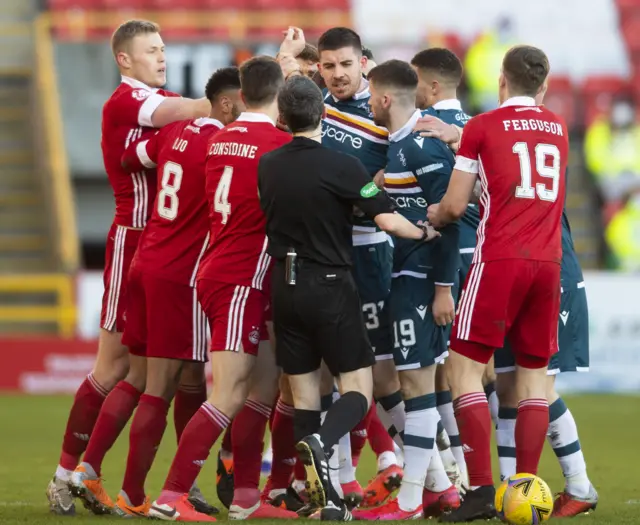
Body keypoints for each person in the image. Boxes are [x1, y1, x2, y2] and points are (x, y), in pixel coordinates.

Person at [49, 19, 214, 517]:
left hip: (171, 245)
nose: (161, 57)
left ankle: (179, 484)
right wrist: (251, 93)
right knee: (117, 367)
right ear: (125, 59)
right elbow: (191, 109)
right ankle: (67, 473)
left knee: (187, 371)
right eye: (151, 50)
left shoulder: (154, 103)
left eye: (163, 49)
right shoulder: (128, 101)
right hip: (135, 242)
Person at [258, 75, 441, 522]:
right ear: (322, 114)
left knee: (305, 396)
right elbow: (389, 221)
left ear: (281, 119)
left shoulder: (267, 165)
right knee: (358, 388)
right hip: (330, 285)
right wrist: (424, 231)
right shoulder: (343, 167)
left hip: (285, 284)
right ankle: (322, 443)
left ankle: (330, 501)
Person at [148, 56, 298, 522]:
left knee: (264, 387)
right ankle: (171, 497)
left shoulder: (218, 139)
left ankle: (246, 497)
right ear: (278, 96)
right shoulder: (279, 144)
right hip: (239, 279)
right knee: (230, 392)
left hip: (231, 272)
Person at [427, 45, 569, 522]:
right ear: (542, 87)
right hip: (548, 264)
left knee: (463, 371)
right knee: (531, 382)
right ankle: (524, 490)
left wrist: (434, 214)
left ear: (501, 81)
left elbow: (453, 206)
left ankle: (482, 491)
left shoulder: (481, 127)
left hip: (499, 259)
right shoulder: (560, 128)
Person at [95, 67, 241, 517]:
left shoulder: (175, 131)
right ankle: (135, 494)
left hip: (146, 260)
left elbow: (131, 157)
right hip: (182, 273)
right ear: (229, 105)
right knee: (161, 386)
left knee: (156, 378)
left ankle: (89, 470)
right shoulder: (222, 147)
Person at [350, 60, 459, 521]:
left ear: (384, 99)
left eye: (370, 94)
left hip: (421, 281)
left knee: (416, 389)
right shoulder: (397, 149)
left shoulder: (420, 147)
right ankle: (438, 491)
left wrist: (443, 289)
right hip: (405, 275)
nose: (368, 102)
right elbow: (409, 207)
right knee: (417, 388)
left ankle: (413, 501)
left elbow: (452, 219)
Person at [493, 91, 598, 518]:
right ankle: (509, 488)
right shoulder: (539, 138)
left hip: (553, 272)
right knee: (505, 386)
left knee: (536, 387)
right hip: (518, 271)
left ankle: (578, 484)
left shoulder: (526, 142)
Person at [314, 26, 403, 506]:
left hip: (369, 251)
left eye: (345, 65)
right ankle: (347, 478)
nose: (337, 75)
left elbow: (388, 187)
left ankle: (430, 469)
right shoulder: (311, 105)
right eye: (328, 66)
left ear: (363, 63)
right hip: (323, 253)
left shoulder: (384, 116)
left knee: (381, 372)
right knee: (332, 368)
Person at [411, 47, 474, 488]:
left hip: (442, 261)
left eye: (415, 80)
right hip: (481, 259)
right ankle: (464, 471)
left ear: (433, 86)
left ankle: (457, 474)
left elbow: (447, 209)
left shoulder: (427, 131)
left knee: (436, 373)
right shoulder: (480, 127)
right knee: (470, 374)